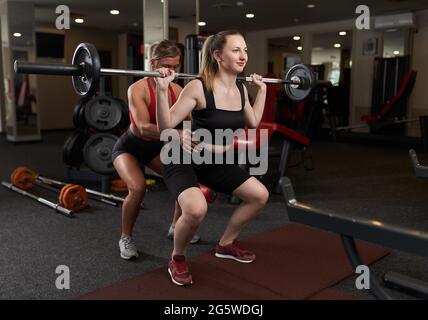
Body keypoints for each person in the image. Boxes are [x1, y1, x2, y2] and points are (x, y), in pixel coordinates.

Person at [155, 30, 269, 286]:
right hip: (183, 157)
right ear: (218, 55)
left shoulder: (240, 89)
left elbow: (252, 123)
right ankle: (178, 257)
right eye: (236, 50)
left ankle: (226, 244)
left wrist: (261, 91)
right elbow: (166, 126)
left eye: (245, 50)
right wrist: (162, 90)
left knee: (259, 195)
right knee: (196, 209)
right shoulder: (198, 86)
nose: (243, 56)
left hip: (216, 161)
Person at [112, 40, 200, 260]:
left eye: (176, 67)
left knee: (184, 182)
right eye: (168, 66)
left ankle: (174, 226)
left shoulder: (178, 90)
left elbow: (190, 123)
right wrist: (177, 134)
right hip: (129, 148)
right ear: (153, 63)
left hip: (154, 150)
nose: (172, 72)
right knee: (138, 187)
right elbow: (141, 128)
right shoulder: (137, 89)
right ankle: (125, 237)